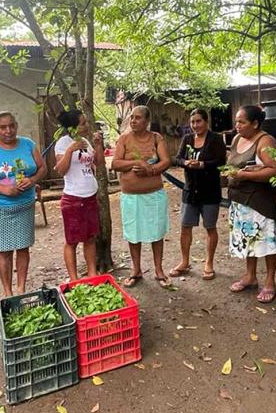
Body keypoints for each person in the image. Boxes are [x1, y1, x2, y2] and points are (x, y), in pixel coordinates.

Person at [0, 111, 46, 296]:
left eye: (12, 126)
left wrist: (33, 180)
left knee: (23, 247)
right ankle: (8, 293)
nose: (8, 130)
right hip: (1, 206)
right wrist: (3, 189)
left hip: (25, 204)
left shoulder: (28, 144)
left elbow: (42, 167)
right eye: (3, 127)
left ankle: (21, 288)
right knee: (4, 251)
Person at [223, 105, 276, 303]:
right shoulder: (237, 139)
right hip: (241, 201)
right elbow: (231, 162)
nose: (237, 126)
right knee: (247, 240)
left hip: (260, 203)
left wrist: (243, 174)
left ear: (255, 123)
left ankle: (270, 281)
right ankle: (250, 276)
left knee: (266, 242)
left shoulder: (265, 141)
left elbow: (275, 170)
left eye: (242, 122)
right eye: (236, 122)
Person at [111, 105, 172, 288]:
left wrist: (151, 170)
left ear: (147, 121)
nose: (133, 121)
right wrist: (137, 162)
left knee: (156, 233)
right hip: (131, 197)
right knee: (133, 234)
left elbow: (166, 161)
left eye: (138, 118)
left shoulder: (156, 138)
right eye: (132, 118)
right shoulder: (124, 139)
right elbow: (115, 163)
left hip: (154, 196)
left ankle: (159, 270)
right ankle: (136, 270)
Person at [169, 108, 226, 280]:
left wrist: (202, 165)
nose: (195, 125)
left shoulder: (215, 139)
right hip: (190, 190)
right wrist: (186, 162)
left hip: (210, 191)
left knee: (210, 227)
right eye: (192, 122)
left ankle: (209, 262)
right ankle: (184, 262)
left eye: (198, 121)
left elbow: (221, 161)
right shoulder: (187, 139)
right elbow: (177, 158)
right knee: (185, 227)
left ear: (206, 122)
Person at [54, 109, 105, 281]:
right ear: (73, 127)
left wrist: (97, 145)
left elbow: (98, 162)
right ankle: (74, 278)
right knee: (72, 240)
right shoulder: (62, 143)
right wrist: (69, 151)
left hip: (90, 196)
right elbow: (61, 170)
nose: (86, 126)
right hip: (73, 198)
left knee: (90, 237)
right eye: (83, 123)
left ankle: (91, 273)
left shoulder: (85, 141)